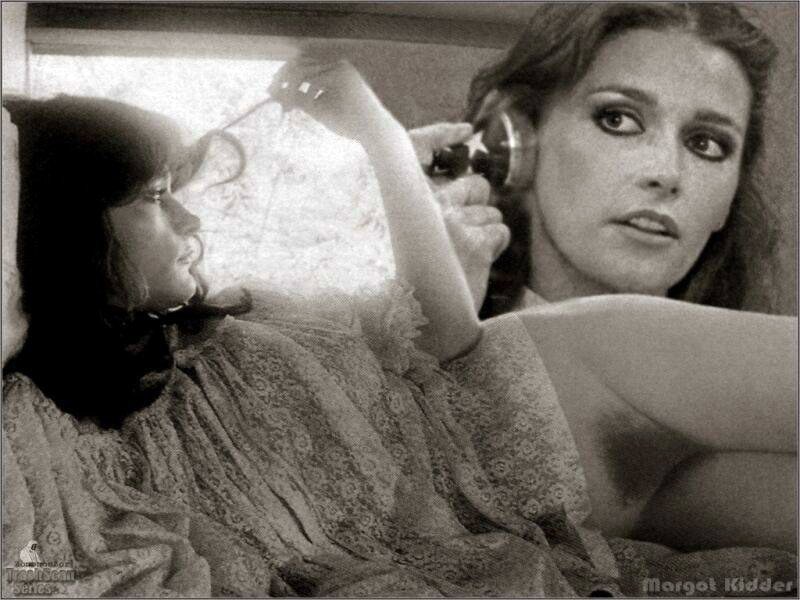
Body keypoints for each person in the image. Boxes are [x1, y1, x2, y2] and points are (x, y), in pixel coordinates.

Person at [1, 59, 796, 597]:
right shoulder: (48, 434)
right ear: (64, 229)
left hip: (569, 384)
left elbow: (446, 339)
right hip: (552, 518)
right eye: (151, 196)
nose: (189, 216)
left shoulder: (229, 323)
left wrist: (376, 133)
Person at [445, 3, 784, 318]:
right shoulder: (423, 346)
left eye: (706, 144)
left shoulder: (769, 363)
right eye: (617, 120)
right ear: (512, 136)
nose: (667, 173)